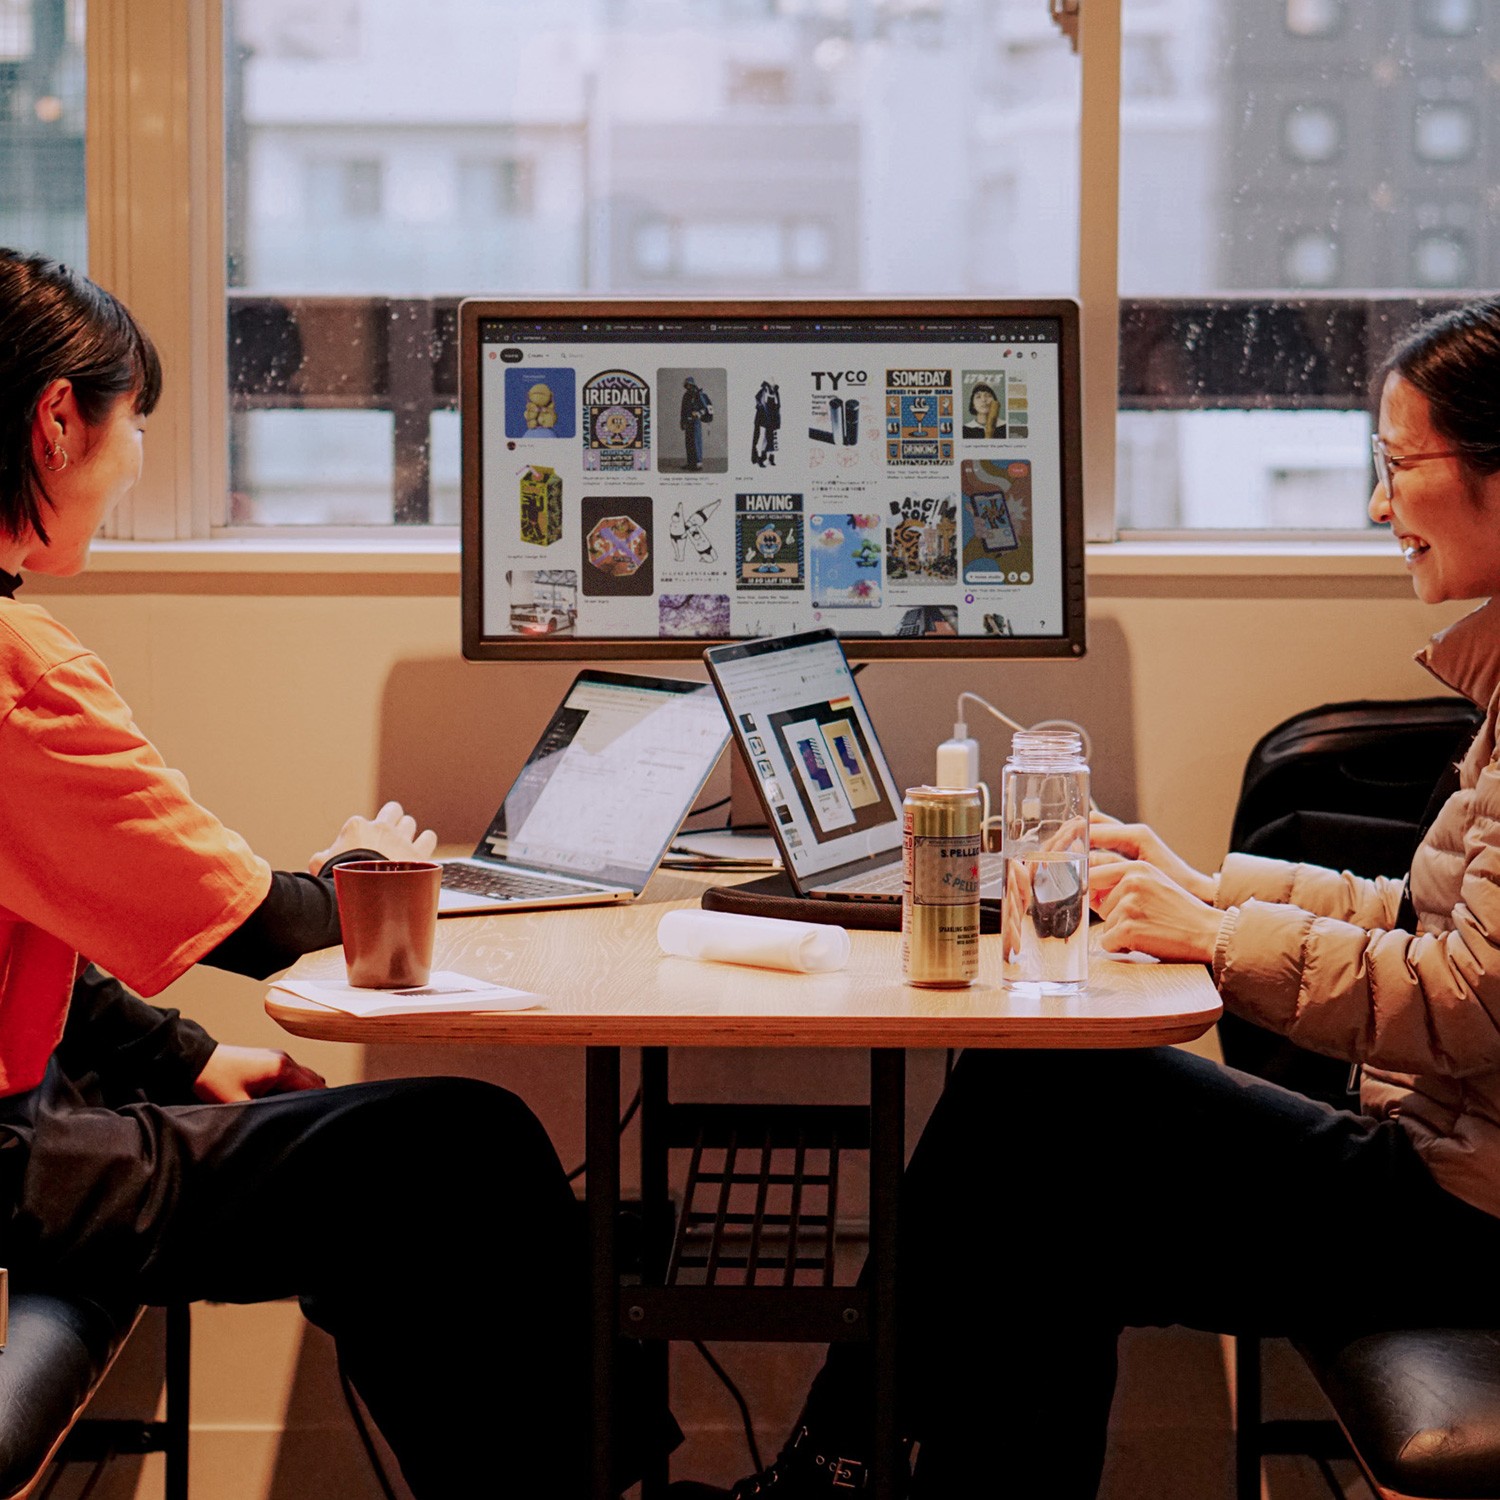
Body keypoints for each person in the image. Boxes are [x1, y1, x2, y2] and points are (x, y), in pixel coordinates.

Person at [673, 297, 1500, 1498]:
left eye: (1399, 466)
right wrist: (1201, 883)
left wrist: (1217, 940)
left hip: (1467, 1223)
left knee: (1044, 1121)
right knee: (1044, 1175)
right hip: (1449, 1169)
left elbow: (1471, 1000)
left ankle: (835, 1469)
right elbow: (1442, 927)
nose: (1380, 507)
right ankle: (844, 1467)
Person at [0, 249, 663, 1498]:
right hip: (17, 1160)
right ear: (55, 422)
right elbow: (253, 923)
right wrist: (386, 884)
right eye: (132, 423)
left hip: (41, 1109)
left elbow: (40, 927)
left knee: (409, 1163)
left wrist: (186, 1056)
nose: (136, 460)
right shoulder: (15, 676)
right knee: (449, 1154)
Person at [681, 375, 713, 471]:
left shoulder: (699, 395)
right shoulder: (686, 395)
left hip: (695, 422)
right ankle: (690, 463)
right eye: (686, 385)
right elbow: (683, 410)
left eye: (689, 385)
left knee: (696, 442)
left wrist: (698, 413)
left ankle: (698, 464)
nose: (688, 387)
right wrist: (682, 421)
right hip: (688, 421)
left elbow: (705, 408)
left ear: (693, 385)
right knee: (689, 443)